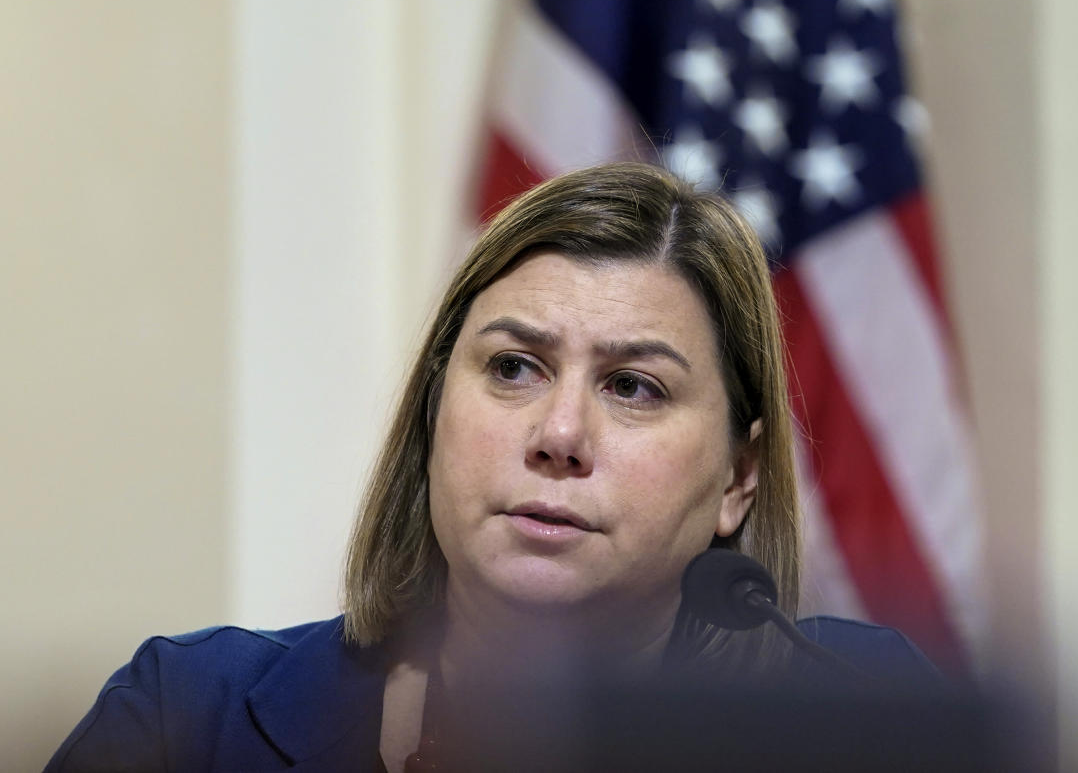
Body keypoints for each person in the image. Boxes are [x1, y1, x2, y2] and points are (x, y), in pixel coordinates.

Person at [45, 163, 941, 772]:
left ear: (739, 479)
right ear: (436, 407)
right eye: (513, 367)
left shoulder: (872, 718)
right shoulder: (186, 721)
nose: (559, 432)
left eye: (633, 386)